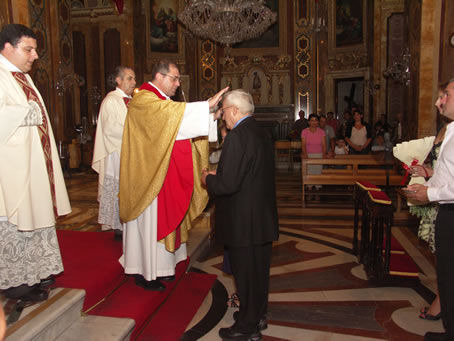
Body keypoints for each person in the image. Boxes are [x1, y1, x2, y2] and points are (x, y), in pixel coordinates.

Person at [118, 59, 228, 291]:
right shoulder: (144, 100)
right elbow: (169, 117)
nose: (178, 83)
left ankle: (161, 269)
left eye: (178, 79)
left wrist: (210, 117)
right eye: (175, 78)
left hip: (163, 174)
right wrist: (205, 105)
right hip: (148, 179)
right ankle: (145, 272)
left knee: (166, 221)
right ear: (159, 76)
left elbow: (176, 126)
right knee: (150, 224)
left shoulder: (162, 101)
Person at [0, 24, 71, 301]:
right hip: (11, 172)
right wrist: (22, 113)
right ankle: (16, 283)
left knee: (36, 215)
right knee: (17, 222)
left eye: (35, 49)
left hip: (33, 165)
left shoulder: (21, 77)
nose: (35, 55)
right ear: (7, 47)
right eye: (28, 49)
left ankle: (34, 272)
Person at [202, 89, 279, 341]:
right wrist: (222, 177)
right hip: (261, 216)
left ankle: (247, 327)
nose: (222, 116)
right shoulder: (261, 131)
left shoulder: (237, 137)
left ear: (235, 110)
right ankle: (257, 314)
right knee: (258, 272)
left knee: (246, 275)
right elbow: (250, 173)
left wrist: (208, 180)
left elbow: (228, 185)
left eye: (223, 111)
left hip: (242, 219)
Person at [406, 78, 454, 341]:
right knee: (447, 274)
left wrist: (429, 192)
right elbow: (450, 175)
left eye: (445, 95)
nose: (439, 101)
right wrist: (429, 174)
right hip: (447, 212)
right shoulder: (451, 131)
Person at [92, 66, 136, 240]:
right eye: (129, 78)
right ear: (118, 80)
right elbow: (110, 130)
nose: (133, 82)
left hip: (129, 153)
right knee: (118, 189)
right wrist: (136, 132)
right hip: (116, 154)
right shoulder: (111, 100)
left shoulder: (131, 100)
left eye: (133, 78)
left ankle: (128, 223)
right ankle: (119, 227)